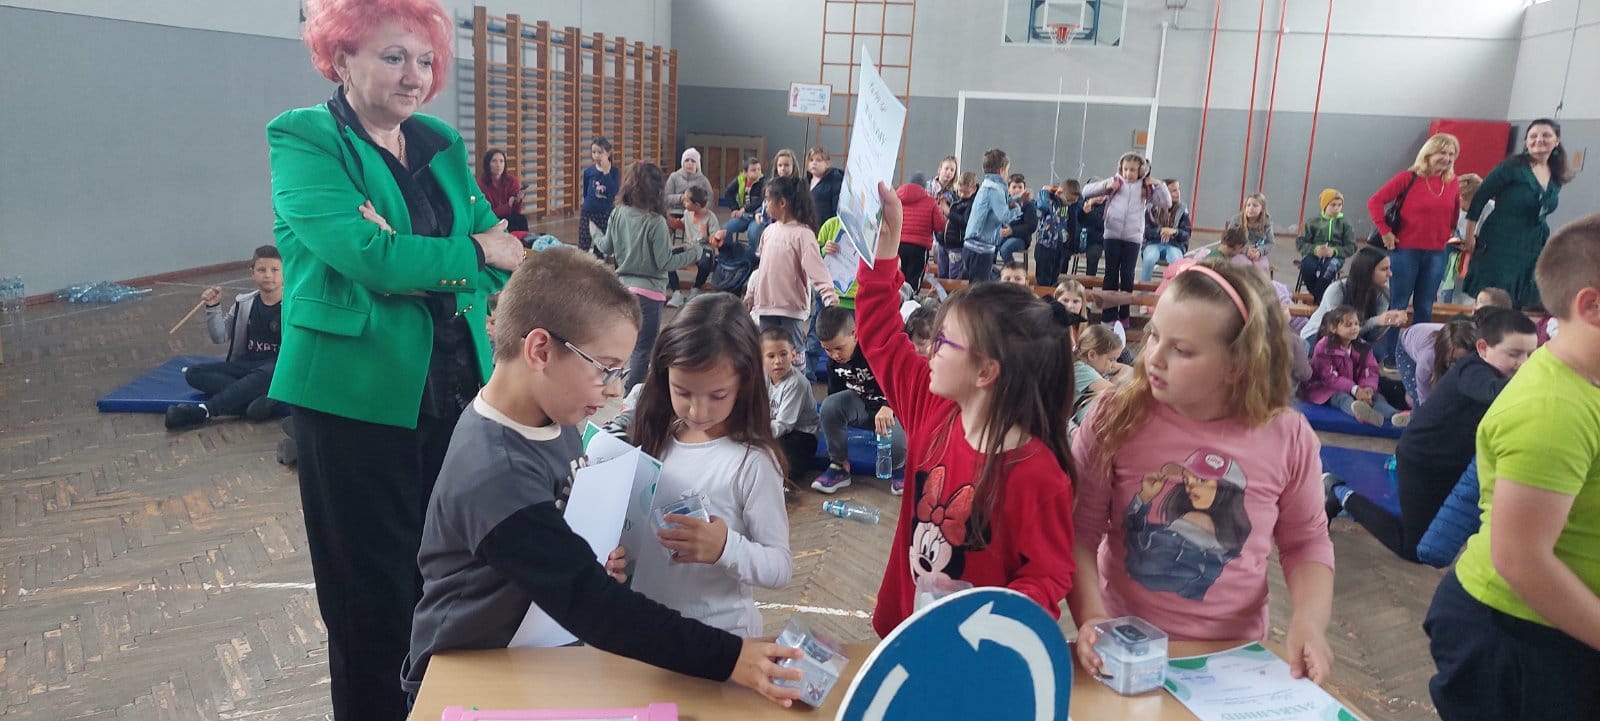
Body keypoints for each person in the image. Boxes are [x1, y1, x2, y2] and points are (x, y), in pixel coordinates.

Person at [401, 249, 806, 708]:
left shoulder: (552, 414)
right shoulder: (495, 472)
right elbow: (588, 603)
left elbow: (559, 545)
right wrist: (731, 658)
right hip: (465, 682)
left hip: (530, 662)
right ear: (540, 351)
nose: (615, 389)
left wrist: (591, 554)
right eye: (605, 368)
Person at [269, 1, 523, 715]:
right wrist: (460, 253)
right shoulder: (305, 139)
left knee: (447, 583)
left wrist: (415, 259)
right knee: (368, 604)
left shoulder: (439, 142)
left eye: (425, 60)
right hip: (354, 402)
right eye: (393, 57)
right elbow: (370, 258)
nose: (415, 76)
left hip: (457, 396)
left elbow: (506, 256)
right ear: (340, 59)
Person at [1070, 259, 1335, 684]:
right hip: (1123, 652)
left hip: (1231, 662)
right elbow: (1078, 531)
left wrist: (1309, 622)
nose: (1153, 357)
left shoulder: (1287, 435)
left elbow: (1305, 541)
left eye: (1182, 350)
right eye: (1154, 335)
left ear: (1237, 364)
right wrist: (1092, 617)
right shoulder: (1114, 416)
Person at [859, 181, 1078, 635]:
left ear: (985, 372)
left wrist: (991, 620)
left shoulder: (1039, 476)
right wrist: (885, 248)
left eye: (943, 341)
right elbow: (879, 330)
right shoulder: (931, 407)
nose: (930, 349)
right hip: (901, 635)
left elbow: (1048, 575)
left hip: (977, 658)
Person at [1425, 214, 1600, 719]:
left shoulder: (1586, 381)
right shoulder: (1553, 411)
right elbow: (1522, 560)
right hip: (1517, 636)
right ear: (1592, 306)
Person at [626, 294, 792, 635]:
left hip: (720, 638)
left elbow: (780, 567)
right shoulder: (656, 438)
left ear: (743, 385)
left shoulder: (753, 462)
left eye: (717, 396)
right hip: (647, 632)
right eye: (683, 392)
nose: (698, 411)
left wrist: (725, 547)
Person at [1325, 307, 1536, 562]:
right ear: (1482, 348)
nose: (1524, 363)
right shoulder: (1473, 370)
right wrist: (1545, 381)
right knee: (1413, 548)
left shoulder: (1496, 372)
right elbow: (1495, 392)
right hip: (1423, 462)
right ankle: (1339, 492)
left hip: (1456, 462)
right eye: (1514, 354)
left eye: (1530, 355)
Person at [167, 245, 285, 430]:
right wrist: (213, 307)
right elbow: (219, 337)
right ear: (252, 273)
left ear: (285, 272)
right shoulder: (243, 303)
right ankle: (259, 400)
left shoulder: (293, 306)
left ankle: (204, 411)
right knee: (193, 373)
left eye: (275, 270)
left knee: (267, 374)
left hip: (277, 368)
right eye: (262, 270)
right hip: (247, 366)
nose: (268, 275)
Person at [1369, 133, 1462, 364]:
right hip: (1405, 252)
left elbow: (1454, 213)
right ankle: (1391, 355)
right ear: (1429, 154)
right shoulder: (1408, 178)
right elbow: (1375, 201)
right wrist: (1385, 231)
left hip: (1436, 253)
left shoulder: (1452, 182)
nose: (1447, 158)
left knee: (1425, 306)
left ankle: (1419, 355)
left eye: (1451, 154)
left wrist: (1448, 234)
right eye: (1442, 153)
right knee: (1398, 303)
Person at [1462, 119, 1573, 309]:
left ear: (1556, 141)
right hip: (1500, 241)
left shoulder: (1555, 174)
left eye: (1546, 135)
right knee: (1492, 297)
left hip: (1531, 243)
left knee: (1519, 299)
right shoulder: (1512, 167)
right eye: (1533, 136)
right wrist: (1469, 235)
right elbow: (1481, 196)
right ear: (1526, 141)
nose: (1539, 140)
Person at [593, 162, 673, 392]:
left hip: (622, 291)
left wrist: (594, 233)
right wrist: (694, 252)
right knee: (642, 351)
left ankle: (602, 388)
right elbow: (663, 262)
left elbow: (606, 246)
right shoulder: (656, 222)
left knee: (616, 348)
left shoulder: (618, 213)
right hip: (649, 295)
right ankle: (630, 398)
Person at [812, 305, 908, 495]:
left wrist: (889, 405)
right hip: (864, 406)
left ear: (855, 335)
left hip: (896, 408)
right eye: (827, 350)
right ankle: (839, 466)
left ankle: (900, 468)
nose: (834, 355)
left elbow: (903, 378)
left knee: (897, 443)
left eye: (839, 348)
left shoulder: (876, 349)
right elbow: (835, 397)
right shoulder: (834, 362)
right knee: (829, 407)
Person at [748, 176, 837, 358]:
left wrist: (829, 296)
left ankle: (798, 377)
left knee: (793, 353)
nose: (765, 204)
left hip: (791, 309)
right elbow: (761, 270)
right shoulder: (768, 231)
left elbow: (817, 269)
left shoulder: (803, 235)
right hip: (766, 306)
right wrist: (751, 294)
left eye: (767, 199)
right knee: (767, 352)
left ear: (782, 203)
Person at [1083, 153, 1172, 325]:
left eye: (1132, 170)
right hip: (1112, 234)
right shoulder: (1116, 182)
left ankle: (1124, 315)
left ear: (1141, 171)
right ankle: (1108, 316)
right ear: (1120, 169)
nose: (1128, 173)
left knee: (1127, 276)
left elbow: (1166, 202)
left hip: (1133, 237)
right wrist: (1107, 185)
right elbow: (1086, 191)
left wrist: (1159, 184)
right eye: (1125, 169)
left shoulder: (1145, 188)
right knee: (1110, 275)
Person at [1301, 306, 1411, 428]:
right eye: (1348, 325)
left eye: (1356, 324)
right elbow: (1329, 378)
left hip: (1357, 386)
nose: (1354, 328)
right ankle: (1358, 412)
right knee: (1341, 398)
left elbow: (1370, 371)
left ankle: (1394, 416)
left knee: (1377, 397)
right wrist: (1355, 389)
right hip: (1326, 388)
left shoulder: (1363, 347)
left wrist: (1368, 389)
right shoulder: (1324, 347)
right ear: (1333, 328)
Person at [1300, 246, 1406, 348]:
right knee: (1341, 351)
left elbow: (1371, 337)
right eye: (1384, 269)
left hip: (1353, 338)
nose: (1390, 274)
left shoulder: (1382, 294)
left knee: (1378, 352)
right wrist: (1377, 321)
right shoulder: (1338, 289)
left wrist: (1388, 321)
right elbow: (1339, 331)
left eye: (1389, 268)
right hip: (1319, 335)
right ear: (1367, 270)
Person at [761, 327, 821, 486]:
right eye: (771, 356)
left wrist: (754, 435)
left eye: (783, 354)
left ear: (793, 355)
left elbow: (783, 425)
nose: (778, 361)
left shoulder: (796, 383)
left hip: (800, 436)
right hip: (773, 430)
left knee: (784, 461)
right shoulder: (762, 377)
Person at [962, 149, 1023, 285]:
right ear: (1002, 170)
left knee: (980, 284)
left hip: (972, 245)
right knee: (980, 288)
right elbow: (1004, 216)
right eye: (1007, 170)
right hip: (980, 247)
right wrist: (1017, 210)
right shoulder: (995, 189)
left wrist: (1017, 199)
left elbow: (1002, 202)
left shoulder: (987, 184)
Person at [1398, 317, 1477, 409]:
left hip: (1426, 346)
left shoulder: (1477, 350)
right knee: (1417, 397)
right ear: (1444, 353)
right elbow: (1424, 397)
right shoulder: (1428, 358)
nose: (1460, 365)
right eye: (1454, 361)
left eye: (1464, 359)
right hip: (1406, 348)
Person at [1295, 189, 1357, 303]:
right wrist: (1315, 249)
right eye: (1333, 205)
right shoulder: (1312, 222)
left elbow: (1352, 246)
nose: (1337, 208)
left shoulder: (1345, 223)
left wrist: (1334, 251)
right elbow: (1300, 243)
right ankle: (1319, 297)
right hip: (1313, 254)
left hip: (1335, 256)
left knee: (1329, 268)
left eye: (1340, 205)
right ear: (1324, 205)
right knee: (1307, 267)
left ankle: (1316, 300)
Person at [665, 184, 720, 308]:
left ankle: (696, 288)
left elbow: (715, 240)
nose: (683, 202)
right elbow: (681, 224)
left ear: (697, 205)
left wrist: (707, 236)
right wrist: (670, 221)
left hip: (704, 249)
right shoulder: (687, 213)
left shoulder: (710, 217)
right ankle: (676, 292)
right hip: (689, 247)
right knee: (667, 258)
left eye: (686, 201)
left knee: (705, 262)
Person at [896, 173, 947, 293]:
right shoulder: (930, 202)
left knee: (897, 278)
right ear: (924, 186)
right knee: (913, 281)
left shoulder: (897, 199)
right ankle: (909, 303)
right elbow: (940, 225)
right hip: (918, 247)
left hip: (897, 245)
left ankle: (897, 302)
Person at [1073, 324, 1130, 424]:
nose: (1113, 365)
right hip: (1089, 425)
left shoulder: (1093, 367)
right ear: (1092, 355)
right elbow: (1116, 393)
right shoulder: (1081, 369)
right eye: (1111, 359)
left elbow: (1127, 369)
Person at [747, 148, 799, 254]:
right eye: (780, 165)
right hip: (766, 217)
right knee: (753, 230)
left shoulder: (797, 185)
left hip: (785, 220)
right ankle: (757, 256)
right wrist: (758, 212)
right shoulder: (771, 184)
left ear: (793, 167)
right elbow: (765, 201)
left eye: (786, 165)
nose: (783, 168)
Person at [1139, 179, 1191, 282]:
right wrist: (1161, 231)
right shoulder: (1151, 208)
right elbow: (1146, 231)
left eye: (1178, 189)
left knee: (1176, 261)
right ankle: (1144, 288)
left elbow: (1187, 234)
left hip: (1175, 245)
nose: (1178, 193)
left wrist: (1175, 232)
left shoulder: (1182, 210)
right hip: (1153, 243)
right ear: (1164, 193)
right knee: (1149, 258)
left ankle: (1172, 288)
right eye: (1173, 191)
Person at [578, 136, 619, 255]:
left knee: (600, 249)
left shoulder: (614, 172)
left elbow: (613, 192)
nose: (596, 155)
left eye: (600, 152)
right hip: (588, 213)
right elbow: (586, 192)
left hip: (604, 214)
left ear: (608, 153)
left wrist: (606, 172)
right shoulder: (588, 172)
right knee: (583, 246)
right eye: (594, 152)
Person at [715, 156, 766, 249]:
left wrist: (744, 209)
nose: (758, 172)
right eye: (753, 170)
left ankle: (753, 254)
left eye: (759, 169)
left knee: (753, 232)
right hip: (744, 216)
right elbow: (728, 192)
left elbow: (761, 200)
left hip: (757, 216)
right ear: (745, 172)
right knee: (725, 229)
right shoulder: (740, 180)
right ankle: (727, 252)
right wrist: (735, 209)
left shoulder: (763, 182)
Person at [1034, 182, 1076, 288]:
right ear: (1060, 192)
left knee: (1054, 278)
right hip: (1045, 245)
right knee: (1043, 279)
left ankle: (1052, 294)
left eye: (1073, 201)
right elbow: (1042, 206)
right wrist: (1045, 190)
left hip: (1059, 246)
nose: (1070, 203)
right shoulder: (1049, 201)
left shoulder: (1068, 207)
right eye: (1069, 200)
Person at [938, 171, 978, 279]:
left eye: (966, 192)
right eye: (960, 191)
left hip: (957, 245)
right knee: (942, 274)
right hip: (943, 242)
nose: (962, 195)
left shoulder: (973, 203)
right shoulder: (954, 197)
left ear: (974, 189)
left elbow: (965, 223)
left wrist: (948, 212)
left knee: (954, 275)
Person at [478, 148, 527, 233]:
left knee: (521, 219)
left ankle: (525, 240)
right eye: (494, 161)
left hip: (508, 218)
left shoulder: (512, 181)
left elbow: (516, 212)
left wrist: (518, 201)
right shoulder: (481, 184)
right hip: (491, 221)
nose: (498, 165)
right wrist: (508, 206)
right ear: (487, 164)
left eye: (501, 161)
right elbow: (488, 214)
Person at [1224, 193, 1275, 275]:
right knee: (1244, 265)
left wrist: (1260, 251)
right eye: (1248, 205)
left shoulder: (1266, 223)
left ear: (1262, 209)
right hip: (1239, 251)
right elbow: (1229, 241)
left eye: (1255, 205)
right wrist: (1246, 250)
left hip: (1257, 253)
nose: (1251, 208)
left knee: (1262, 266)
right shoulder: (1236, 221)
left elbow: (1270, 243)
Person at [997, 173, 1039, 265]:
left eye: (1020, 187)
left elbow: (1031, 226)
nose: (1017, 190)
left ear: (1024, 189)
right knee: (989, 246)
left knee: (1005, 249)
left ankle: (1012, 270)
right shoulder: (1004, 202)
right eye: (1014, 187)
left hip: (1021, 239)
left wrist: (1012, 231)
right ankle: (990, 271)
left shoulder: (1028, 205)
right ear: (1008, 189)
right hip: (1003, 236)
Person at [664, 148, 714, 218]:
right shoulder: (674, 177)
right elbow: (665, 198)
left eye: (693, 161)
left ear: (697, 164)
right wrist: (681, 198)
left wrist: (701, 211)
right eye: (687, 160)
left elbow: (710, 200)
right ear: (682, 163)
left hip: (696, 214)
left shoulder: (703, 180)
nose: (689, 163)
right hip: (676, 212)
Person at [806, 146, 845, 230]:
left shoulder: (835, 181)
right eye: (811, 160)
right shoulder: (805, 181)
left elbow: (837, 210)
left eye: (818, 160)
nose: (814, 163)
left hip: (824, 228)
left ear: (827, 164)